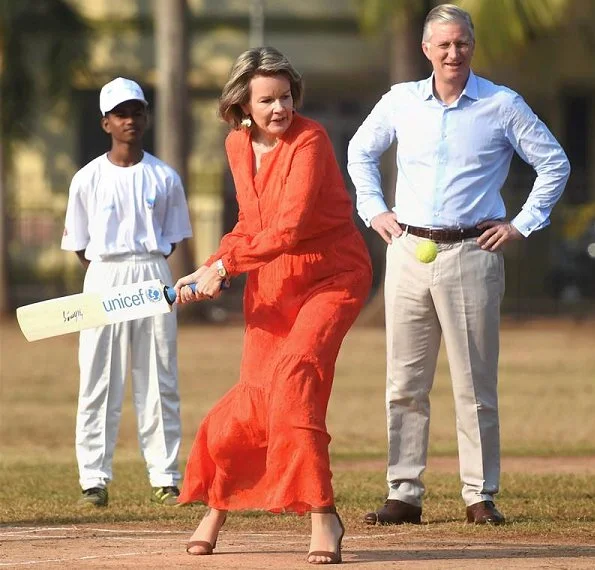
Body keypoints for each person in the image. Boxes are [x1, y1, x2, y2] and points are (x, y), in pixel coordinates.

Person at [347, 4, 570, 526]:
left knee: (474, 385)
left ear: (472, 46)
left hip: (474, 252)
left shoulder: (501, 104)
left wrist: (521, 223)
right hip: (408, 250)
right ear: (427, 49)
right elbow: (360, 151)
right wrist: (374, 209)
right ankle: (403, 493)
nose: (453, 52)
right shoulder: (401, 101)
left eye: (461, 43)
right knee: (404, 382)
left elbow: (554, 162)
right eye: (443, 44)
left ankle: (479, 494)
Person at [174, 46, 372, 564]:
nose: (279, 107)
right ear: (242, 104)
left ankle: (323, 514)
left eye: (285, 96)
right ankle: (217, 506)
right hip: (272, 280)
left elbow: (289, 227)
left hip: (332, 277)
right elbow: (250, 223)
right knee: (253, 398)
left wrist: (225, 268)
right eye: (267, 100)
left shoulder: (311, 140)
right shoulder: (237, 147)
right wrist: (212, 263)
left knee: (295, 379)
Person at [61, 77, 193, 508]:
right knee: (99, 377)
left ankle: (166, 476)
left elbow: (172, 238)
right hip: (103, 275)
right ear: (106, 124)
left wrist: (144, 268)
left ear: (146, 116)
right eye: (121, 114)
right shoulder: (86, 179)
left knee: (158, 376)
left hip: (153, 274)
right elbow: (81, 247)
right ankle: (93, 480)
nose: (130, 120)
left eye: (137, 111)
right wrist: (111, 273)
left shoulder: (165, 177)